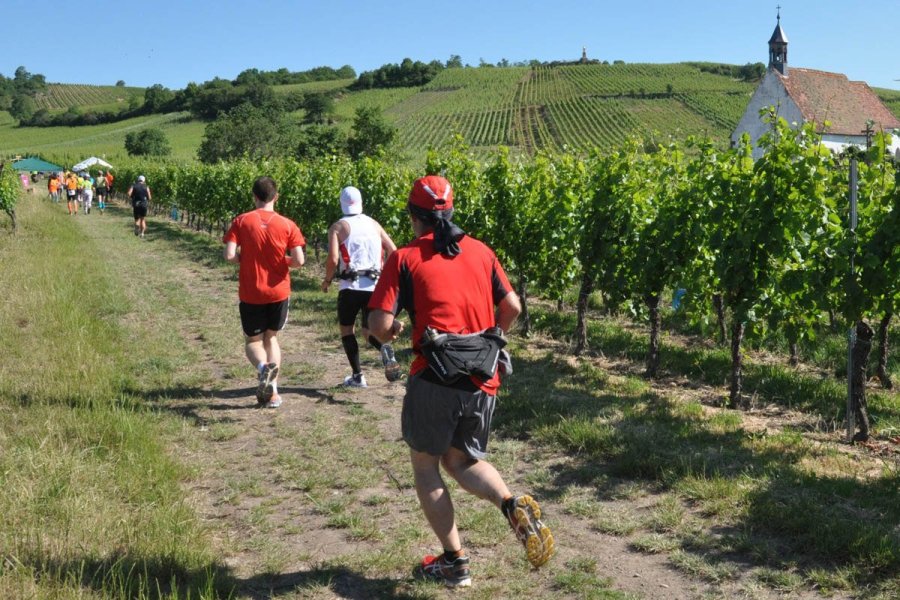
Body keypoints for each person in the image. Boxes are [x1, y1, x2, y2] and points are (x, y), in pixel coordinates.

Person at [368, 175, 554, 588]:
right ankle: (509, 503)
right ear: (450, 212)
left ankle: (455, 561)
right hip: (482, 378)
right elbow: (512, 306)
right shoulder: (481, 252)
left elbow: (378, 324)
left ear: (414, 216)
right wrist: (489, 340)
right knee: (461, 460)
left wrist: (392, 331)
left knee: (426, 465)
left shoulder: (405, 258)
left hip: (433, 377)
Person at [223, 176, 305, 408]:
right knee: (271, 338)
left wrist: (246, 258)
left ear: (254, 196)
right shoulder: (288, 224)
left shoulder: (241, 221)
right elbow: (299, 261)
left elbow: (229, 255)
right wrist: (281, 260)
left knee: (253, 341)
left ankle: (262, 368)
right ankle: (274, 393)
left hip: (251, 292)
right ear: (276, 197)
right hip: (278, 292)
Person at [321, 186, 400, 388]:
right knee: (368, 330)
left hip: (350, 286)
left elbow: (333, 258)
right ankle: (384, 349)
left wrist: (328, 279)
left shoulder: (338, 227)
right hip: (374, 286)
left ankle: (358, 376)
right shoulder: (374, 224)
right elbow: (393, 250)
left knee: (347, 330)